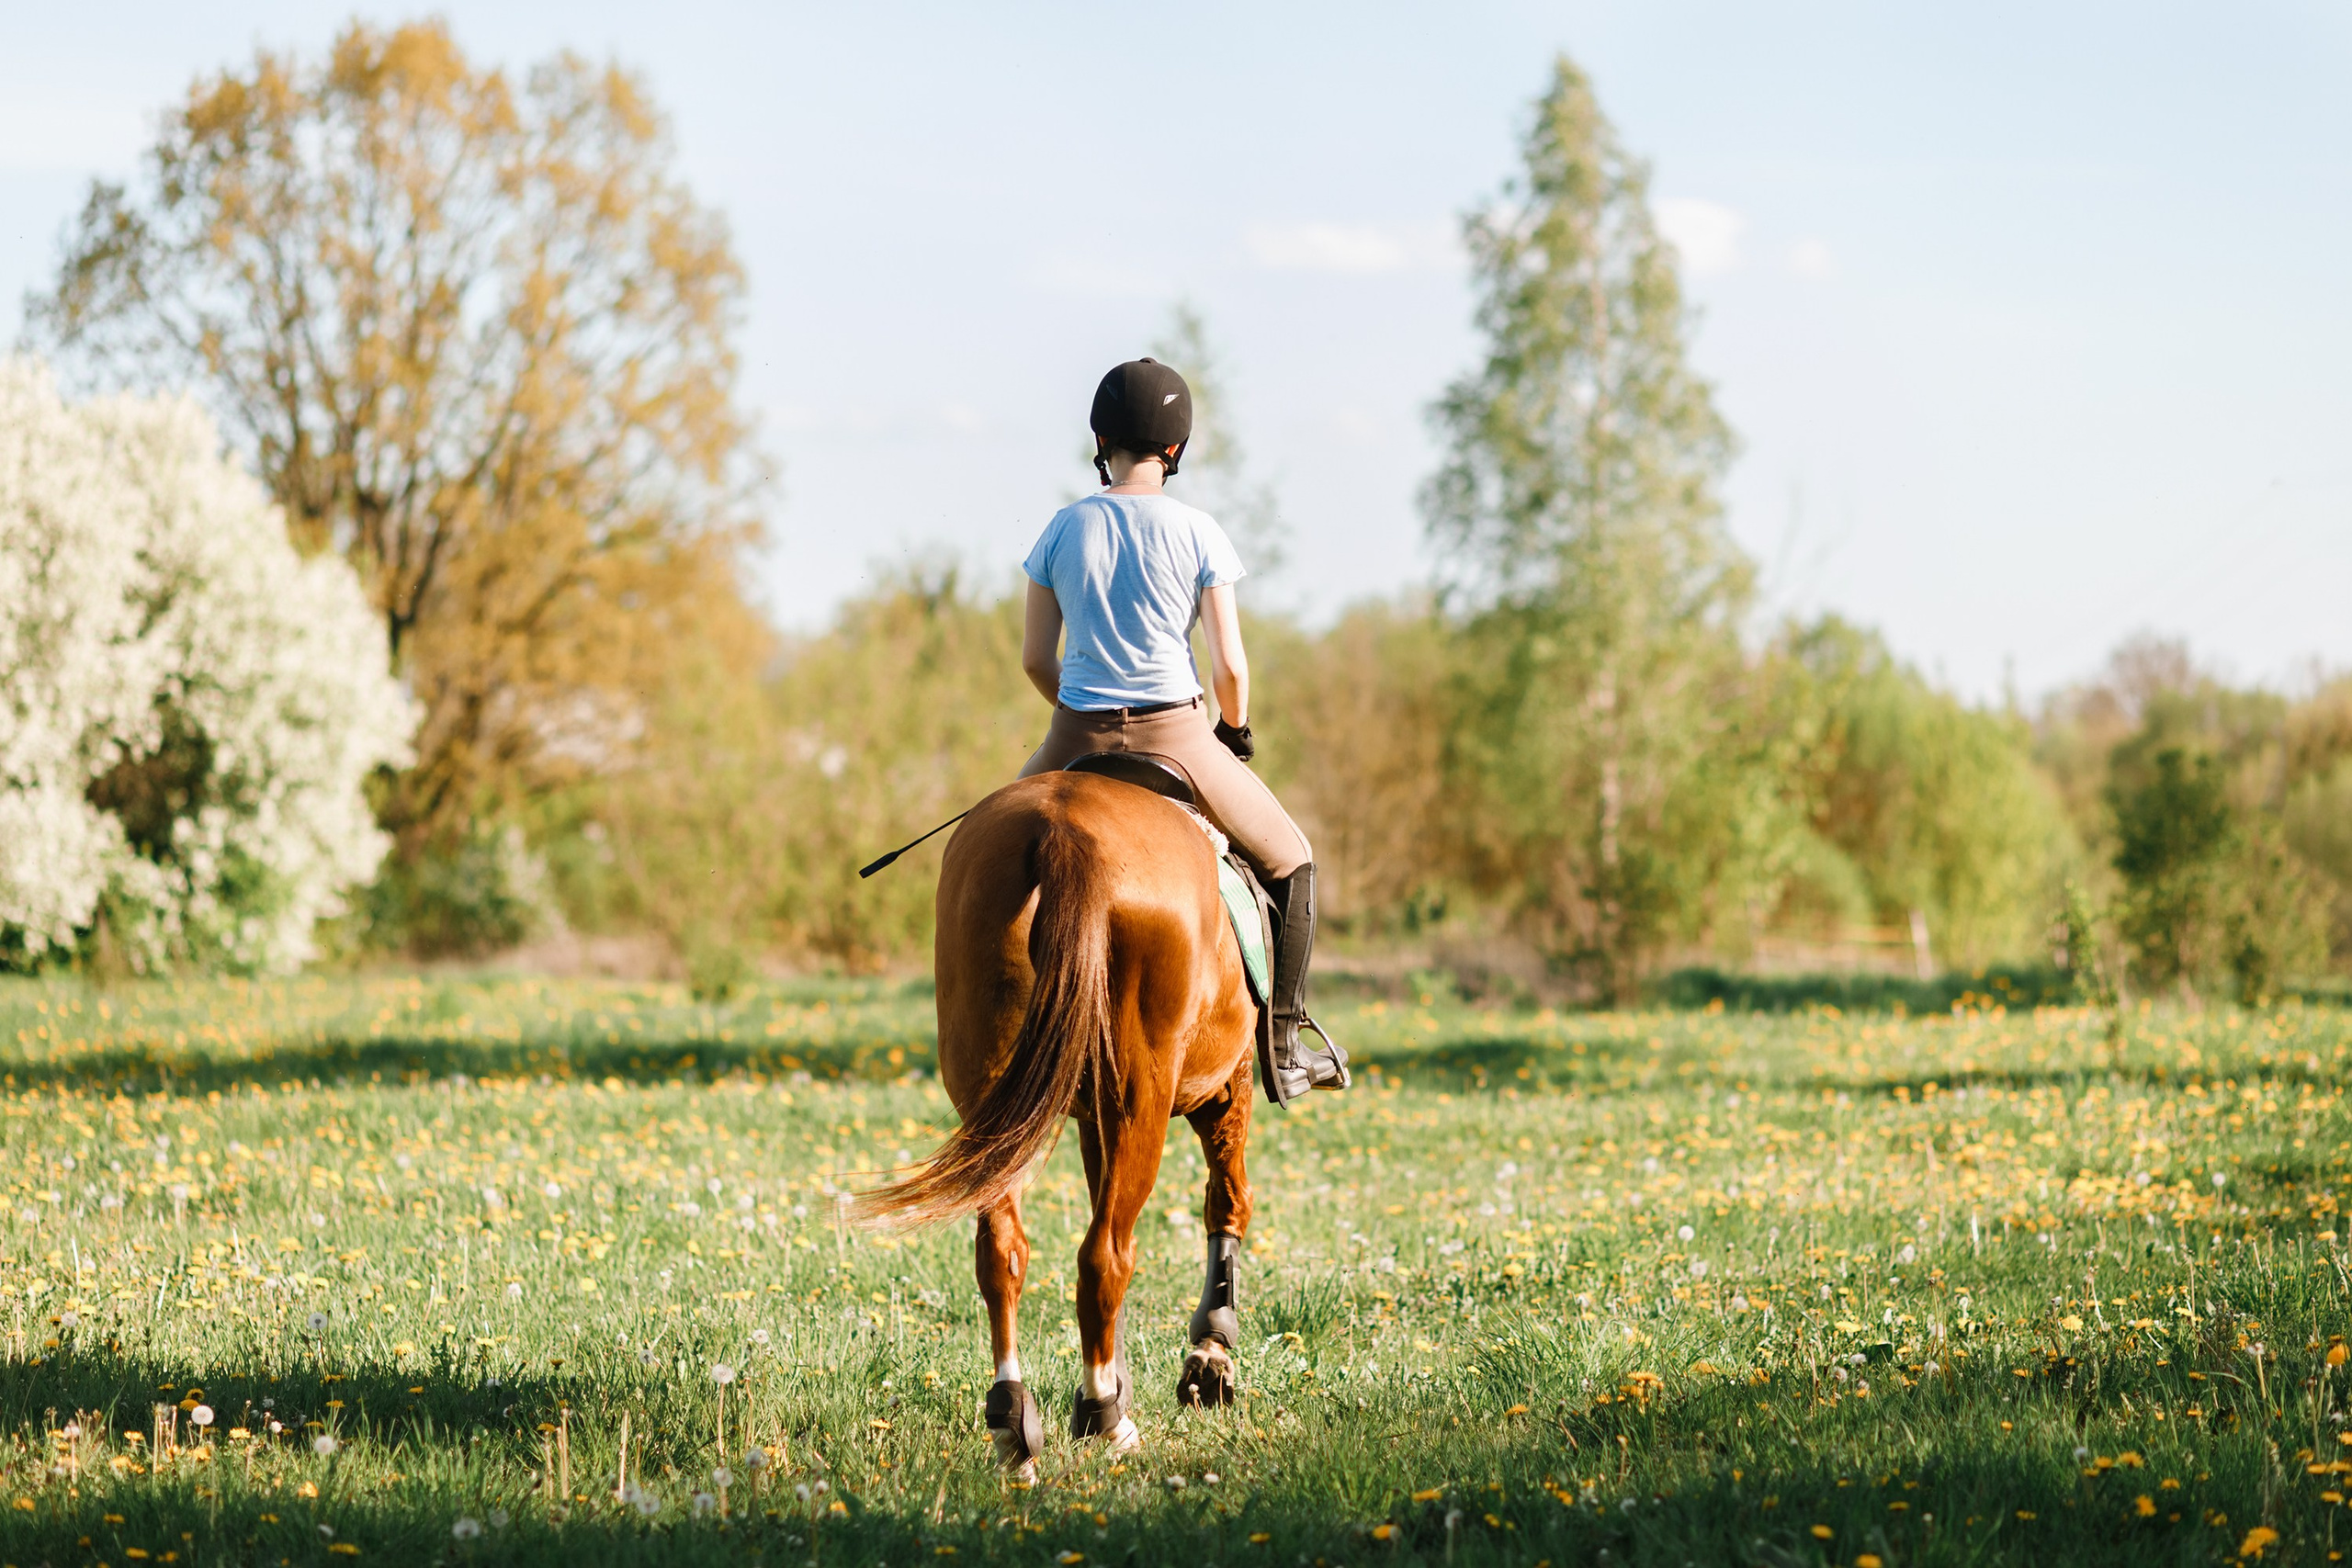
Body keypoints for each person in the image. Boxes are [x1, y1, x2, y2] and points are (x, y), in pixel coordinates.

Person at [1016, 357, 1349, 1105]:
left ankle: (998, 1029)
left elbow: (1037, 656)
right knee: (1293, 861)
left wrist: (1075, 706)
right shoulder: (1199, 530)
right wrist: (1234, 727)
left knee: (991, 857)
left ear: (1101, 439)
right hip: (1180, 738)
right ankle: (1287, 1046)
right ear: (1176, 449)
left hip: (1074, 735)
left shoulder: (1061, 528)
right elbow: (1230, 666)